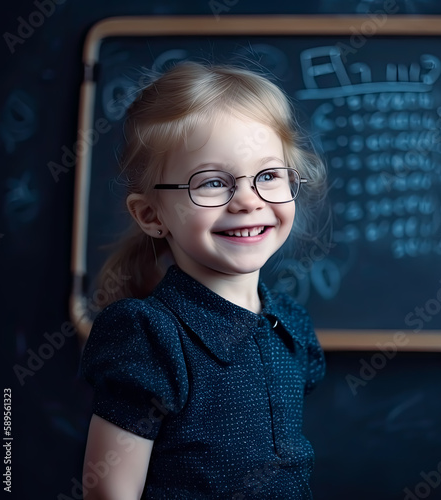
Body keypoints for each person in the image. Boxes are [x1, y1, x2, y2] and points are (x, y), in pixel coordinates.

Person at [81, 61, 327, 499]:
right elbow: (109, 490)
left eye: (268, 175)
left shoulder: (291, 326)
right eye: (213, 183)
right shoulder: (149, 336)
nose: (249, 201)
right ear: (152, 216)